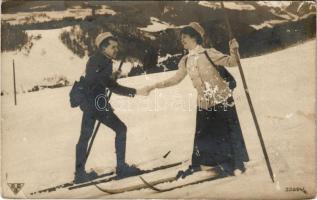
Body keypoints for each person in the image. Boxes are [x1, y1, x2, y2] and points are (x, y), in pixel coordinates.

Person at [142, 22, 249, 177]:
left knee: (226, 134)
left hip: (222, 100)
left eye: (185, 37)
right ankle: (209, 165)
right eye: (181, 38)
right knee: (205, 136)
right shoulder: (186, 60)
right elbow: (176, 79)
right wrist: (154, 86)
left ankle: (235, 164)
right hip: (204, 104)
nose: (182, 40)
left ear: (195, 37)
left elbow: (232, 62)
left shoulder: (208, 53)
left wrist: (234, 50)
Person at [74, 32, 147, 183]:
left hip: (89, 103)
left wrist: (111, 76)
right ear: (103, 48)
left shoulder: (100, 60)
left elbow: (101, 80)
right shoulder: (99, 61)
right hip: (96, 105)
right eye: (113, 47)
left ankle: (80, 174)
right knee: (120, 129)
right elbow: (111, 86)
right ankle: (121, 168)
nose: (116, 50)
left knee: (85, 137)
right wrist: (135, 92)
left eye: (116, 47)